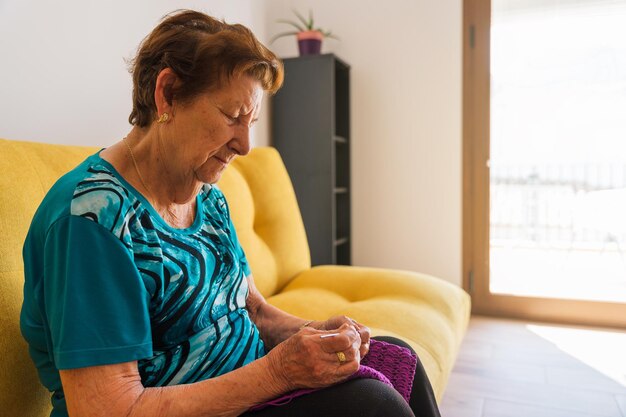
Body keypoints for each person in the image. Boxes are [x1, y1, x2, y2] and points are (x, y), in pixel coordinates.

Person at [20, 10, 441, 417]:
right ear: (167, 93)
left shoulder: (206, 194)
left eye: (252, 120)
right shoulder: (93, 221)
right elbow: (111, 410)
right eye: (232, 117)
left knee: (401, 358)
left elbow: (252, 309)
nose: (244, 145)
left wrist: (316, 334)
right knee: (374, 406)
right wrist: (279, 370)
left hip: (246, 385)